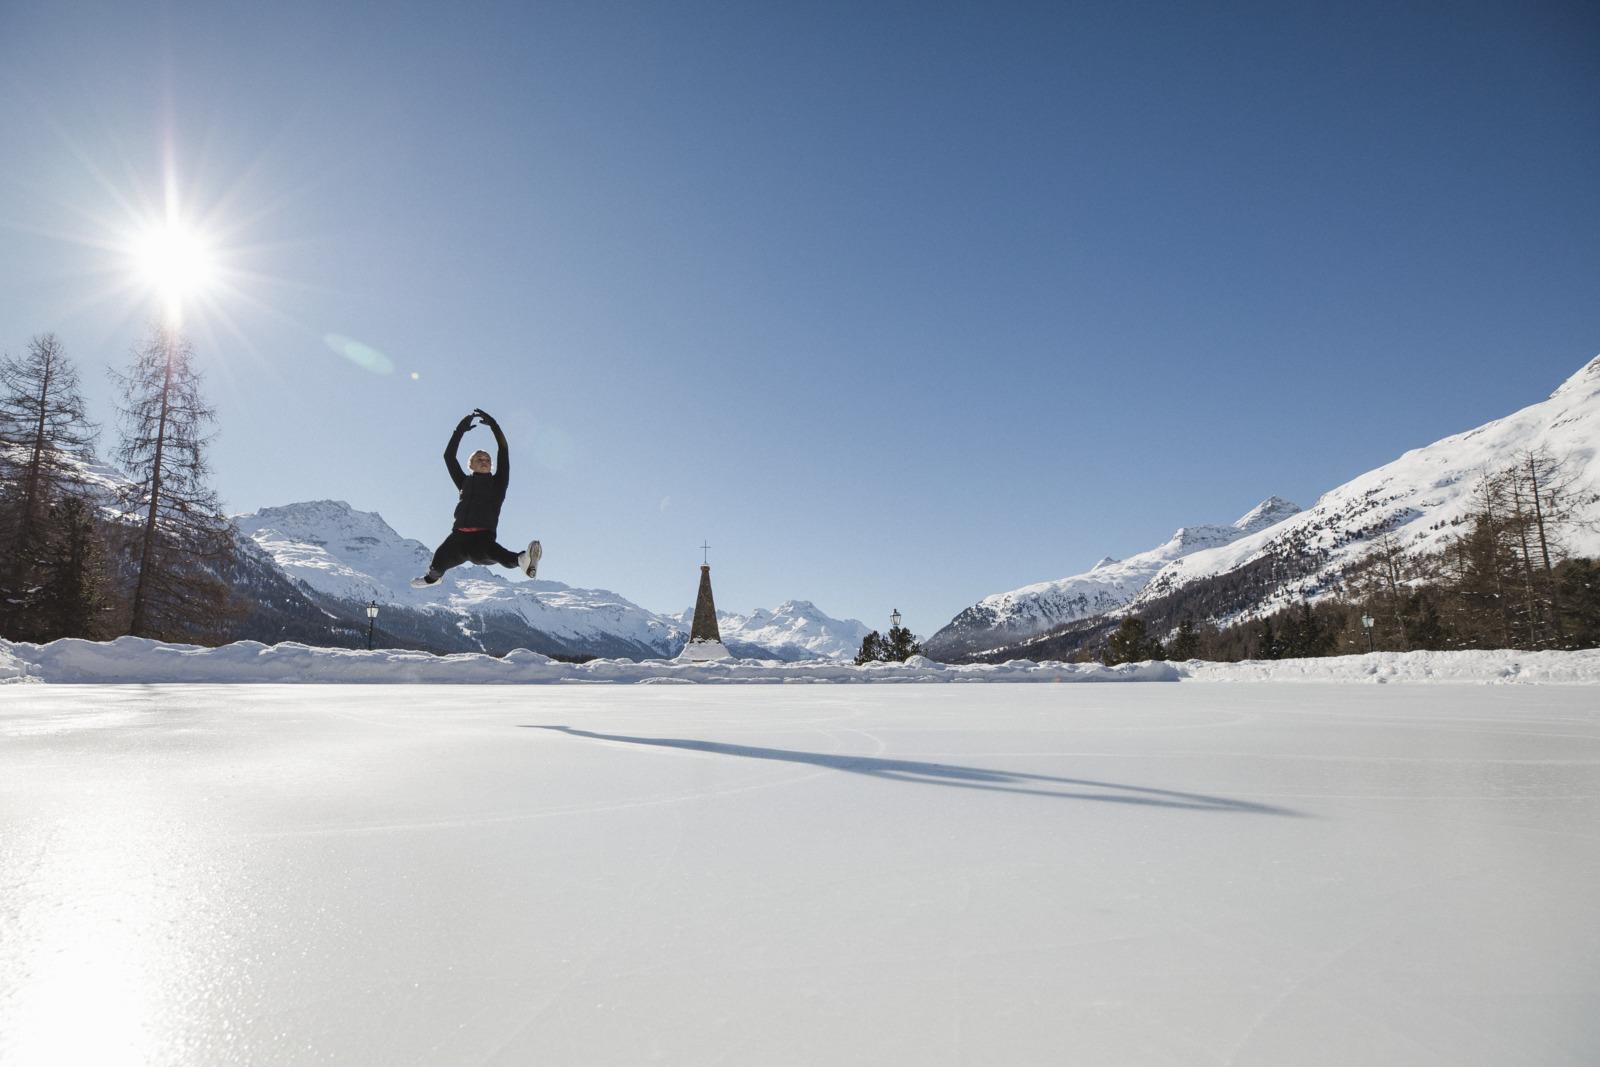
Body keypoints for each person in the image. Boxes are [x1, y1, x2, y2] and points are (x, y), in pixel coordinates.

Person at [411, 409, 540, 588]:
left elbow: (503, 451)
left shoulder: (498, 483)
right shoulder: (464, 482)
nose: (484, 460)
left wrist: (494, 426)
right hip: (458, 537)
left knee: (494, 553)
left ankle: (523, 560)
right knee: (439, 559)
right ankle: (433, 579)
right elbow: (449, 457)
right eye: (479, 458)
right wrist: (460, 430)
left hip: (482, 537)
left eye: (487, 459)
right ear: (470, 464)